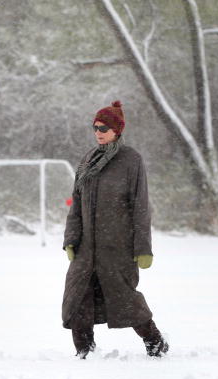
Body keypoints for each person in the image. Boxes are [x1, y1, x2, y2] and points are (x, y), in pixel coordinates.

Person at [62, 100, 168, 359]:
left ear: (117, 130)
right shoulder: (88, 160)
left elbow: (141, 206)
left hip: (118, 247)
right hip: (87, 248)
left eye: (104, 127)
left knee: (125, 300)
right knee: (77, 296)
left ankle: (156, 343)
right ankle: (84, 351)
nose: (98, 131)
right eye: (95, 127)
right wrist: (71, 238)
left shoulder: (131, 161)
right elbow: (76, 202)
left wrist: (143, 248)